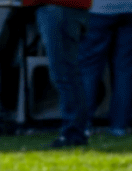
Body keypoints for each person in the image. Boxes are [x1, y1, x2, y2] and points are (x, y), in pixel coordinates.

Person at [79, 0, 132, 137]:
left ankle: (82, 125)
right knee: (125, 70)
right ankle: (119, 127)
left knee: (89, 70)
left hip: (99, 8)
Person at [31, 0, 93, 147]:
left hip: (60, 7)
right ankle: (77, 130)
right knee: (68, 74)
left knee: (65, 75)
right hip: (67, 8)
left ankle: (74, 132)